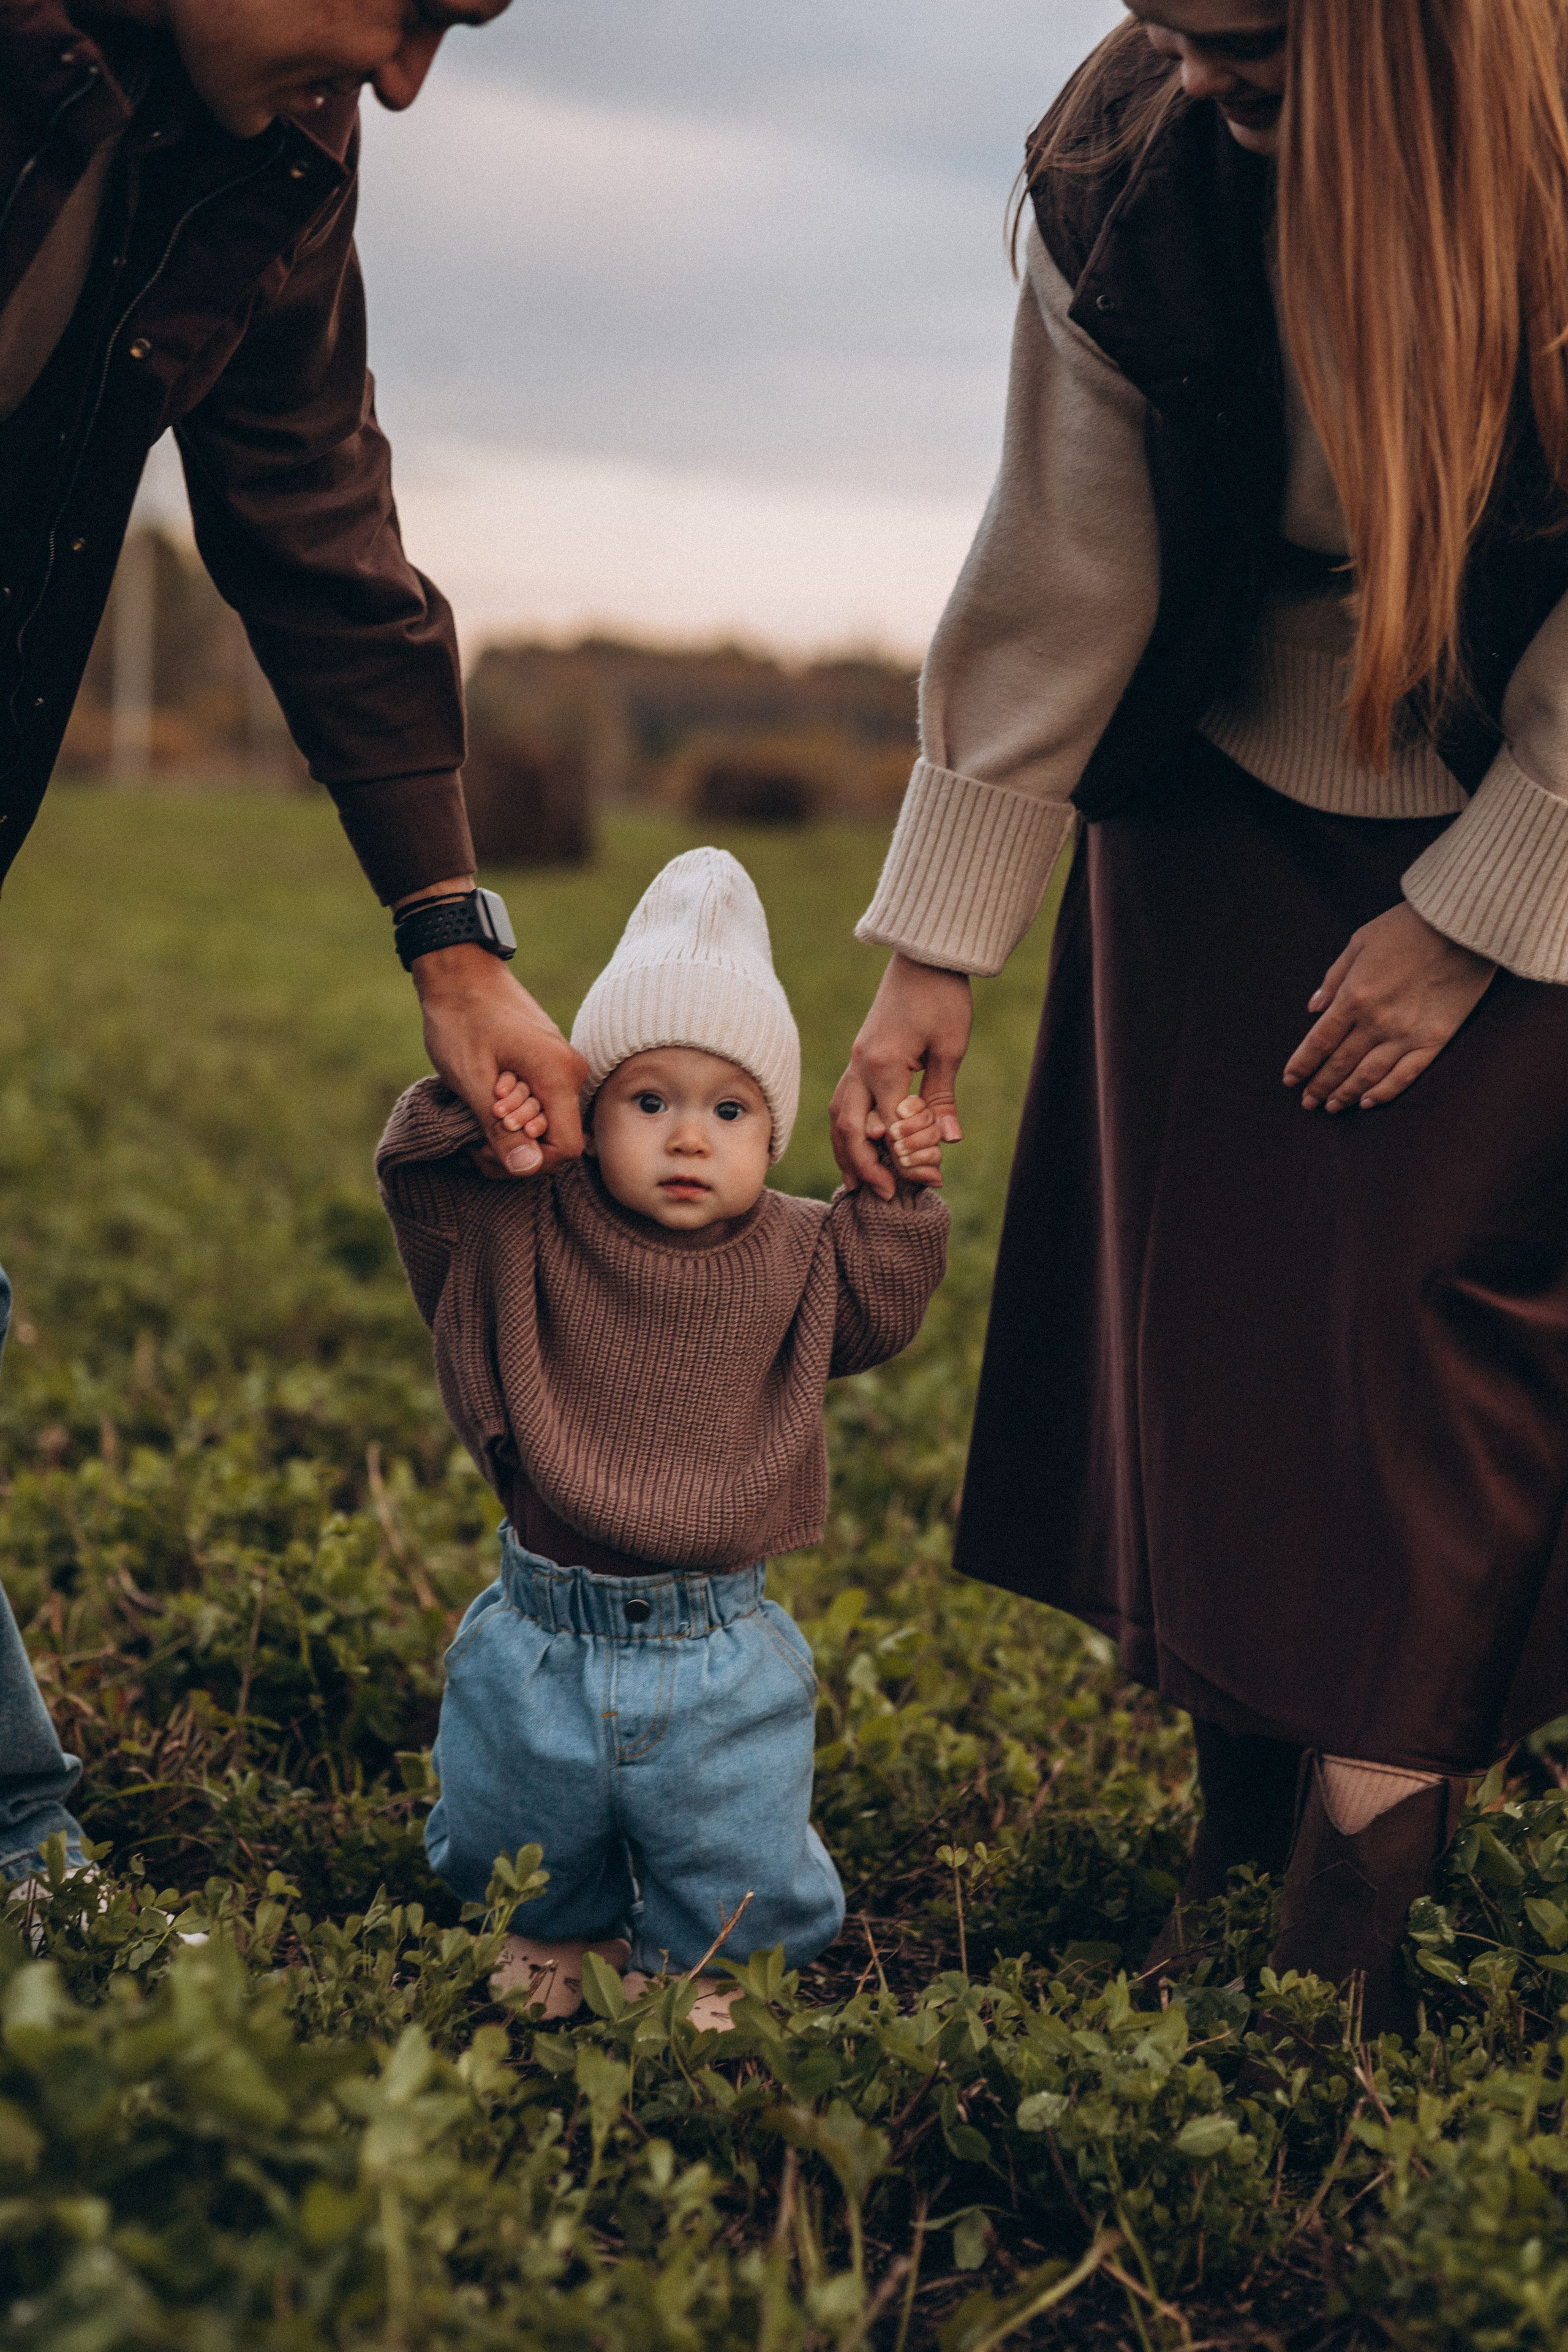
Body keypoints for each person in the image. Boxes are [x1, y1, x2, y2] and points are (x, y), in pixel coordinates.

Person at [831, 0, 1568, 2036]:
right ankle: (1234, 1848)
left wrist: (1481, 909)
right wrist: (936, 952)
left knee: (1437, 1350)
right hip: (1223, 791)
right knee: (1218, 1325)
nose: (1195, 68)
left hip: (1538, 800)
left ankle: (1342, 1931)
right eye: (1173, 22)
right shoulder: (1133, 160)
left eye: (1250, 35)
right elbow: (1064, 555)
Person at [0, 0, 587, 1879]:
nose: (408, 80)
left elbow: (314, 511)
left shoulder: (273, 157)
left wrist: (454, 935)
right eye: (411, 7)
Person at [377, 849, 949, 2023]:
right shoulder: (526, 1219)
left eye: (728, 1109)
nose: (691, 1137)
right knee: (515, 1811)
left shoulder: (800, 1253)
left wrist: (892, 1191)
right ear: (591, 1105)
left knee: (733, 1829)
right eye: (651, 1100)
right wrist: (483, 1127)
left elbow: (884, 1309)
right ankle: (557, 1926)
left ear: (774, 1131)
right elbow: (421, 1191)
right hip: (545, 1625)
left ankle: (717, 1960)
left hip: (719, 1646)